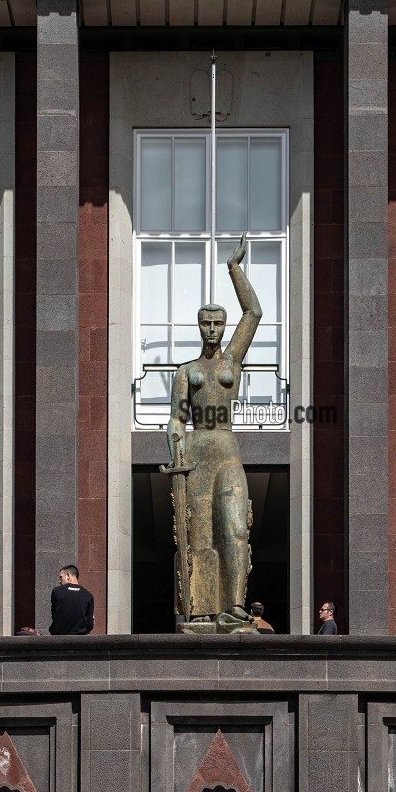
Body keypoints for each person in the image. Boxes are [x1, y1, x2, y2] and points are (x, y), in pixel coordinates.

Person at [165, 235, 262, 628]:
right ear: (198, 326)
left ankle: (234, 607)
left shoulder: (233, 359)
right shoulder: (186, 372)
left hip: (226, 447)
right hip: (196, 452)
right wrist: (176, 446)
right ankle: (203, 611)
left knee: (235, 526)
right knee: (199, 538)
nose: (212, 329)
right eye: (206, 323)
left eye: (218, 323)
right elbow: (177, 417)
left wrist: (234, 268)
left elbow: (253, 312)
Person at [48, 565, 94, 635]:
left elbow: (54, 615)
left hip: (58, 637)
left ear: (68, 576)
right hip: (80, 637)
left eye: (61, 577)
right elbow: (90, 623)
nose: (59, 581)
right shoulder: (88, 595)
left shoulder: (57, 591)